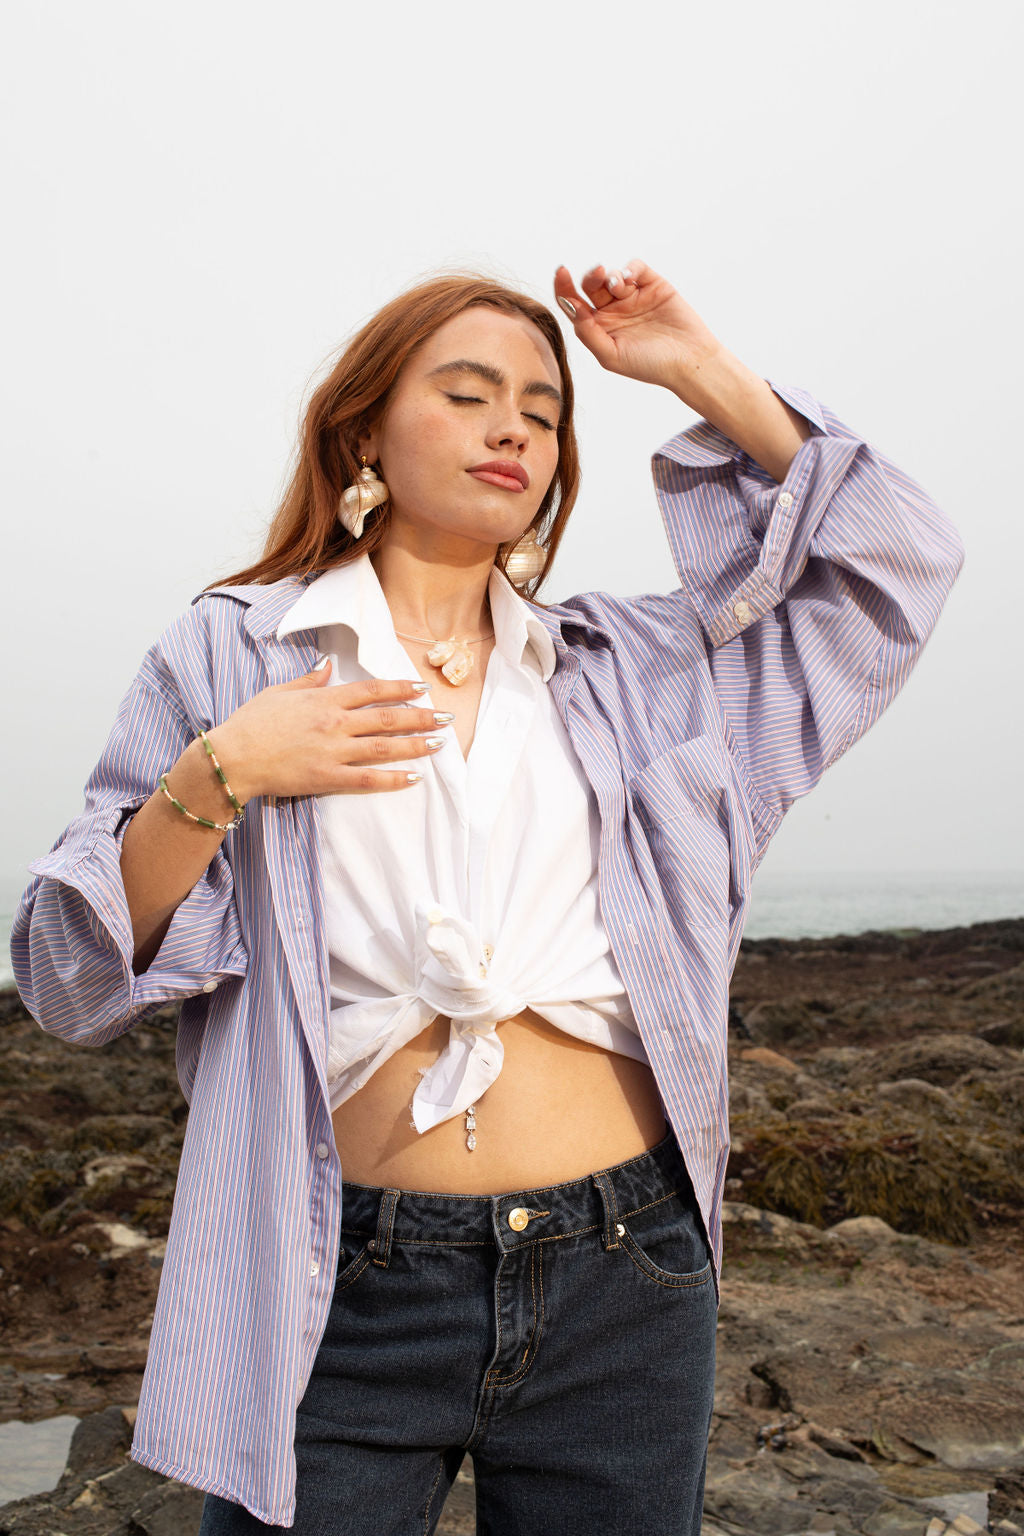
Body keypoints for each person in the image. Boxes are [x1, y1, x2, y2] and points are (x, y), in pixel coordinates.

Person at [12, 258, 965, 1534]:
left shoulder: (638, 671)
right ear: (364, 433)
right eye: (465, 394)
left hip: (626, 1273)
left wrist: (697, 369)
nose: (513, 425)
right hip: (334, 1283)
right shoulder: (234, 655)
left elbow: (895, 566)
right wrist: (219, 774)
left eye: (543, 406)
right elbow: (69, 982)